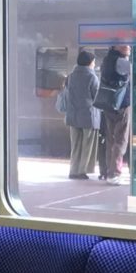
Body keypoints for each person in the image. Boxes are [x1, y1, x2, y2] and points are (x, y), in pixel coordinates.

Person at [60, 50, 100, 179]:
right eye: (93, 61)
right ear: (89, 62)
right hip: (88, 116)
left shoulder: (71, 76)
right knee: (87, 144)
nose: (94, 64)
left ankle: (73, 171)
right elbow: (97, 97)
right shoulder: (92, 77)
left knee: (75, 145)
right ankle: (82, 171)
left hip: (72, 115)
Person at [98, 43, 132, 186]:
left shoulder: (106, 61)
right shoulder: (122, 62)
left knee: (111, 139)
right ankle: (114, 173)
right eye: (125, 45)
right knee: (121, 140)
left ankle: (108, 171)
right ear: (116, 47)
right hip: (122, 104)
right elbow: (134, 74)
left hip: (109, 103)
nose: (129, 47)